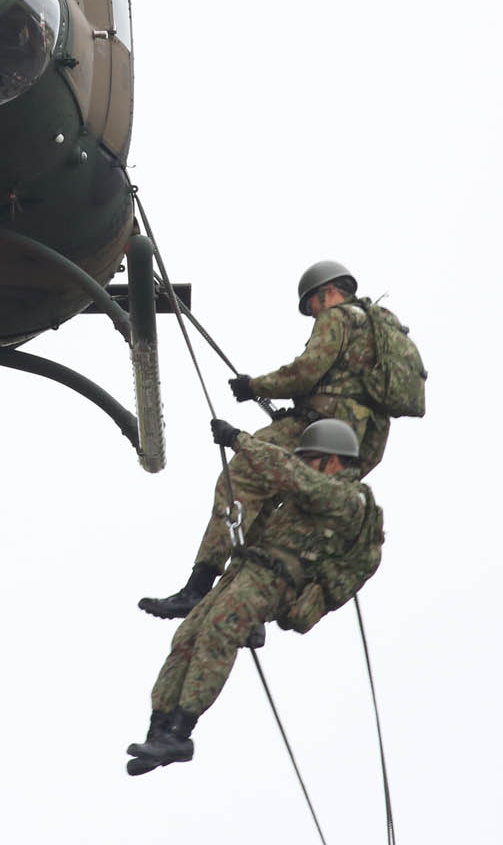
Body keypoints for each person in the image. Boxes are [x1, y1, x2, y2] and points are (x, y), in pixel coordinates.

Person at [127, 418, 381, 774]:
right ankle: (159, 730)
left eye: (311, 458)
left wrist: (240, 440)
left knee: (218, 632)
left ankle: (180, 733)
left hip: (275, 580)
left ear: (334, 460)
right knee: (187, 637)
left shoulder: (346, 498)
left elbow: (290, 471)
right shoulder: (311, 493)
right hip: (248, 569)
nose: (305, 464)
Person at [139, 259, 389, 619]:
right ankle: (249, 609)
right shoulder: (375, 332)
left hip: (321, 428)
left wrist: (255, 386)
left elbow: (306, 371)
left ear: (329, 291)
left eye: (312, 304)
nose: (313, 312)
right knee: (269, 501)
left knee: (240, 477)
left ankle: (198, 586)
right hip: (356, 443)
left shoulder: (338, 318)